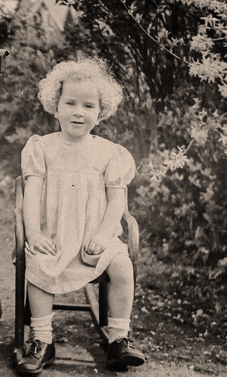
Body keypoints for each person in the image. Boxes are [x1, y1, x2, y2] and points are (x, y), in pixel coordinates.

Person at [17, 58, 146, 375]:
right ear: (55, 105)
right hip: (55, 235)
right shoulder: (42, 148)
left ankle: (118, 338)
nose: (78, 112)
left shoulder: (108, 152)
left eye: (88, 105)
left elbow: (117, 201)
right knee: (39, 264)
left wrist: (103, 236)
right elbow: (31, 195)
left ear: (100, 111)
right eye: (70, 103)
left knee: (122, 264)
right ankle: (43, 340)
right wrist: (34, 235)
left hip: (94, 235)